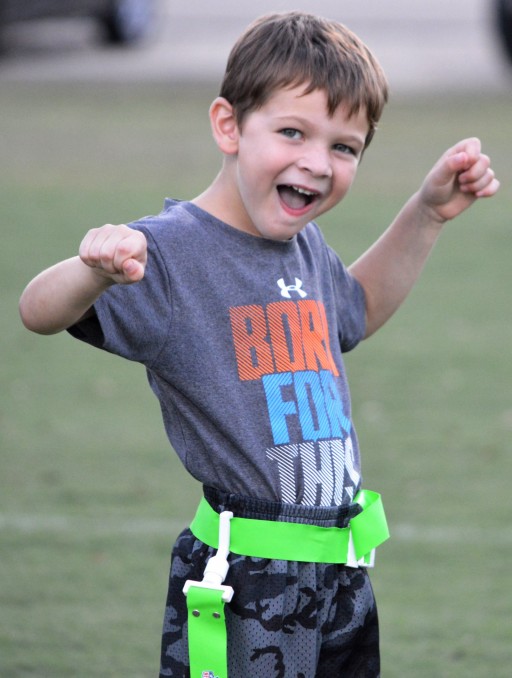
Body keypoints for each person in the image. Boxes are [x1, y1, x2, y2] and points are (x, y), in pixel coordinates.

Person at [19, 11, 499, 678]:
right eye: (293, 132)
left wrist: (425, 213)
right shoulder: (169, 252)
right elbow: (36, 312)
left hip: (341, 571)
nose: (316, 162)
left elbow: (354, 311)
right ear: (229, 126)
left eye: (344, 147)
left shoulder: (302, 247)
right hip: (248, 581)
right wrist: (90, 267)